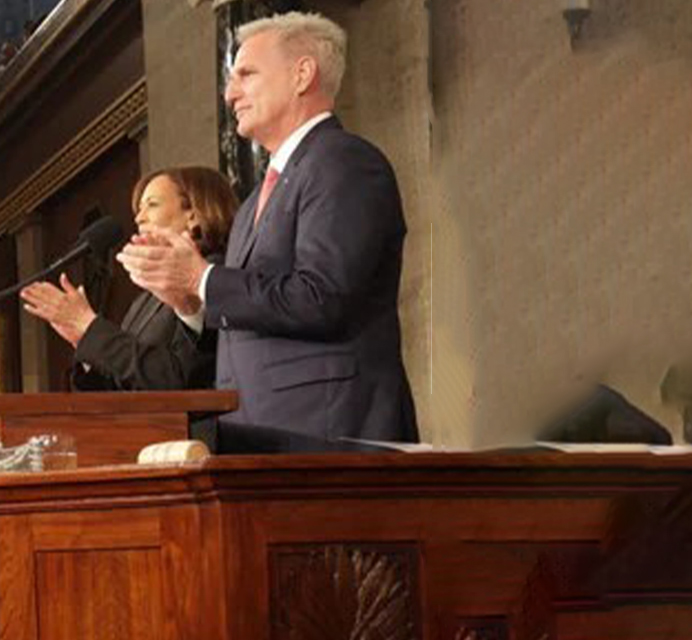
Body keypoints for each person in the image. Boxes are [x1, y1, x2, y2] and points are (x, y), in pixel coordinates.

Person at [118, 12, 417, 447]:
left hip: (331, 435)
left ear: (302, 74)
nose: (229, 93)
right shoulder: (259, 195)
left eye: (246, 74)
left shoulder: (344, 162)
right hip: (260, 436)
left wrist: (201, 278)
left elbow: (322, 297)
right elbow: (249, 317)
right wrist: (190, 302)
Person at [23, 167, 235, 391]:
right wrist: (83, 340)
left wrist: (88, 326)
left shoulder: (215, 277)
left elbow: (177, 379)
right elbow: (122, 388)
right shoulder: (144, 301)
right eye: (139, 208)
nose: (139, 217)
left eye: (152, 205)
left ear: (193, 214)